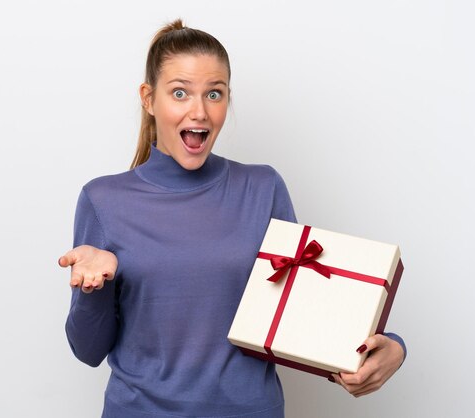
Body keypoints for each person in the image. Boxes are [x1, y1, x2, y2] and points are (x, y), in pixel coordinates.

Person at [58, 19, 406, 418]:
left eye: (214, 93)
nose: (200, 111)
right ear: (149, 99)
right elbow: (87, 351)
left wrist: (392, 346)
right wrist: (94, 289)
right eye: (179, 93)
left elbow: (304, 314)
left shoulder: (262, 188)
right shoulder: (103, 199)